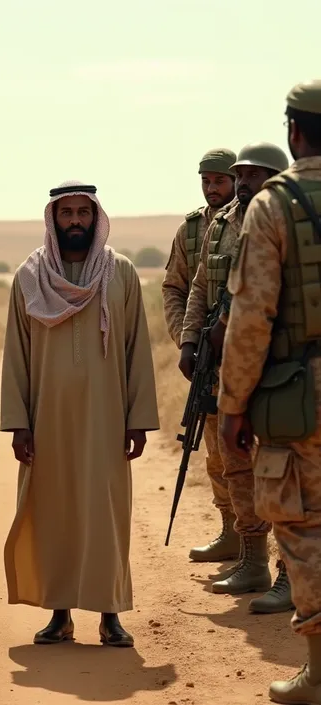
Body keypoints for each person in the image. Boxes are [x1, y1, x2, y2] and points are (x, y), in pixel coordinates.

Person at [0, 180, 159, 647]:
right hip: (47, 419)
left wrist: (137, 418)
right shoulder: (29, 277)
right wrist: (19, 423)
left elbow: (136, 349)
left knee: (106, 512)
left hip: (106, 417)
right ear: (53, 218)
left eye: (82, 213)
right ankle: (59, 613)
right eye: (66, 213)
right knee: (53, 511)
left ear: (95, 217)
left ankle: (110, 613)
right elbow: (17, 355)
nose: (75, 221)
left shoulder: (120, 273)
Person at [219, 79, 321, 704]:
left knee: (306, 529)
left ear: (293, 130)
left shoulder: (273, 205)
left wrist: (233, 405)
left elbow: (251, 317)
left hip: (298, 396)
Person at [179, 143, 293, 608]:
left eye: (255, 174)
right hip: (227, 366)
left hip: (281, 367)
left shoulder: (291, 221)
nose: (244, 182)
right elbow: (200, 287)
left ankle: (291, 570)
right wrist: (189, 342)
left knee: (283, 467)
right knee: (236, 461)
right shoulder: (220, 225)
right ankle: (253, 560)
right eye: (240, 175)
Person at [162, 147, 239, 563]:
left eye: (220, 181)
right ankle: (230, 530)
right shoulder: (191, 231)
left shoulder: (252, 222)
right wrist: (185, 339)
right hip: (209, 358)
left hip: (245, 350)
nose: (213, 189)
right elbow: (177, 288)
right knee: (215, 450)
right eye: (206, 181)